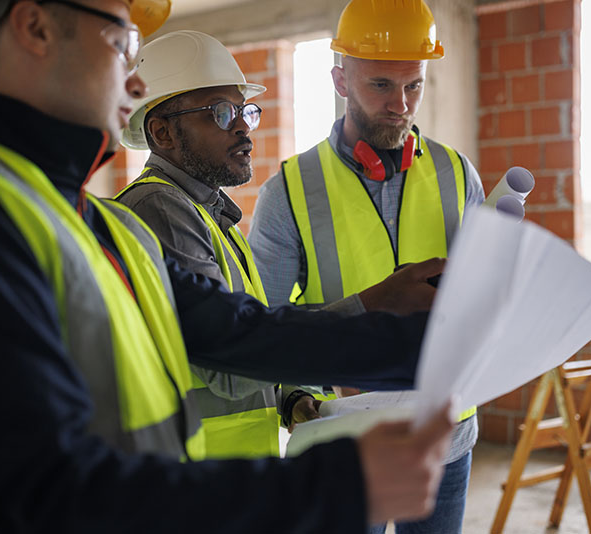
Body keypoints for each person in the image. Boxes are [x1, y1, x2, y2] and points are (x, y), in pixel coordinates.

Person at [0, 1, 456, 533]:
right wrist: (333, 485)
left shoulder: (103, 224)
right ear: (35, 29)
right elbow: (50, 492)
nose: (135, 84)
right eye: (121, 43)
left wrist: (434, 348)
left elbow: (240, 332)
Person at [115, 30, 446, 459]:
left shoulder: (212, 216)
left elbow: (253, 328)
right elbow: (230, 363)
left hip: (231, 472)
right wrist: (372, 305)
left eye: (244, 111)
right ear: (162, 133)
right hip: (193, 474)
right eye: (219, 112)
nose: (242, 127)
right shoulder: (160, 209)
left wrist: (289, 395)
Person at [249, 0, 485, 532]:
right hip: (347, 437)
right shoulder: (290, 190)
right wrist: (295, 396)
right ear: (340, 79)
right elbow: (260, 320)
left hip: (445, 429)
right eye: (381, 85)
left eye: (414, 85)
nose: (400, 104)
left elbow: (481, 291)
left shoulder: (455, 172)